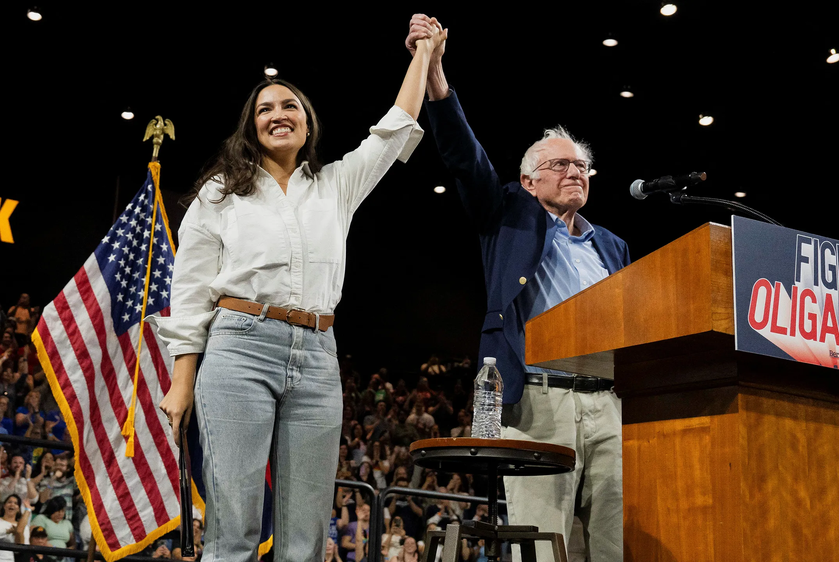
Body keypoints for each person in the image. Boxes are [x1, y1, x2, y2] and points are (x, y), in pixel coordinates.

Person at [153, 23, 447, 561]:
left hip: (317, 359)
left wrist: (424, 53)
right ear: (251, 126)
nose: (278, 114)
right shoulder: (220, 194)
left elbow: (395, 128)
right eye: (265, 108)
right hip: (237, 350)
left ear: (307, 122)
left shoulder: (336, 185)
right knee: (233, 528)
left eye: (289, 105)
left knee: (305, 538)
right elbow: (190, 290)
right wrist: (181, 381)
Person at [407, 14, 629, 561]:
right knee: (547, 548)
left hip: (611, 407)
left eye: (582, 167)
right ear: (529, 180)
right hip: (537, 402)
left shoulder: (614, 246)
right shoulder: (506, 213)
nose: (575, 172)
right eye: (559, 165)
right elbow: (463, 155)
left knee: (616, 546)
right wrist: (436, 74)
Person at [0, 494, 30, 561]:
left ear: (18, 509)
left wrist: (18, 533)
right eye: (9, 502)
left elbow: (23, 549)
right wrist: (7, 531)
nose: (12, 505)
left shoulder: (24, 528)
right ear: (4, 506)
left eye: (16, 503)